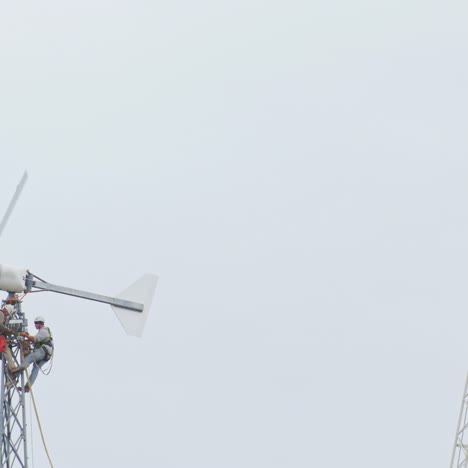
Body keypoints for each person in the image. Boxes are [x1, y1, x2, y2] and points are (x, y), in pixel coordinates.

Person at [14, 316, 54, 392]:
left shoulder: (43, 330)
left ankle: (15, 375)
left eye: (36, 323)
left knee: (27, 359)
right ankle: (27, 387)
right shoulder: (44, 332)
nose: (35, 325)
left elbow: (34, 339)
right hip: (46, 354)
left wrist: (25, 335)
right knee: (35, 369)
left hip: (43, 351)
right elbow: (36, 341)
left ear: (39, 323)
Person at [0, 304, 19, 371]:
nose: (7, 316)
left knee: (3, 355)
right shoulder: (1, 313)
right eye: (8, 314)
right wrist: (8, 331)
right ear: (7, 311)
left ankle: (9, 370)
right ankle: (12, 368)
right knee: (6, 349)